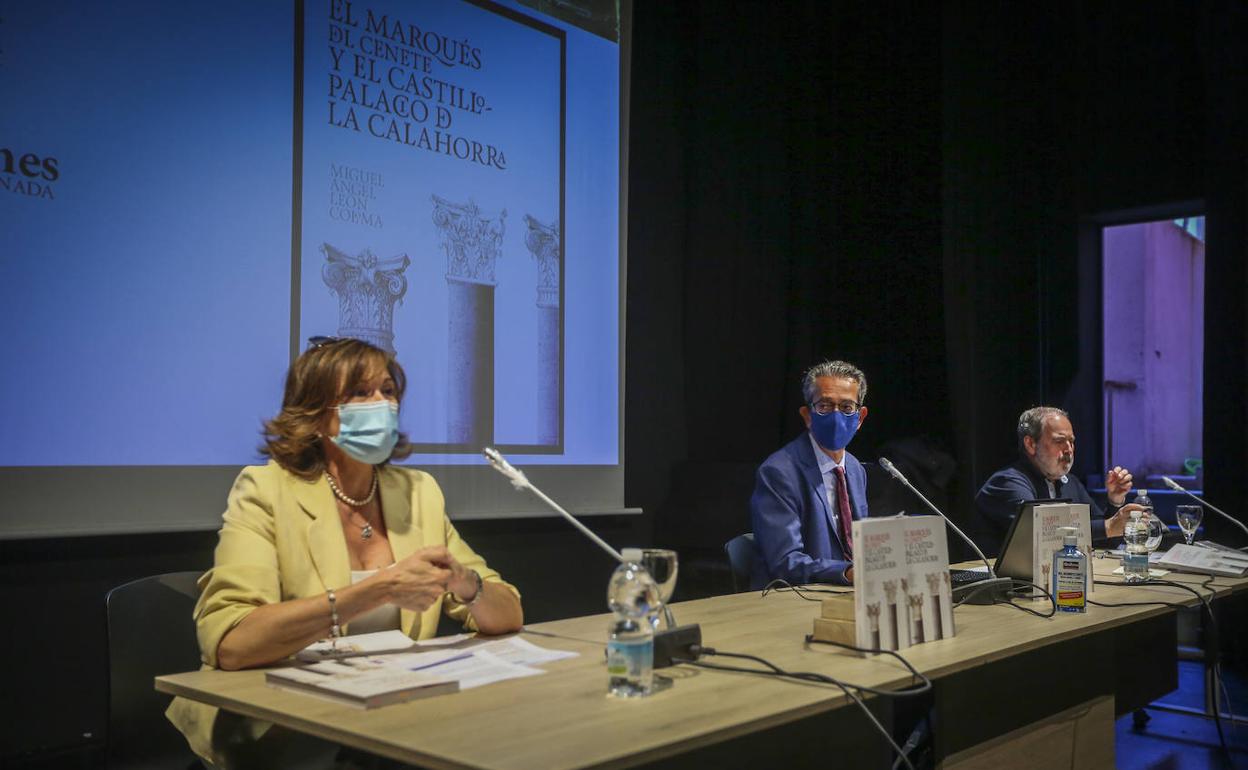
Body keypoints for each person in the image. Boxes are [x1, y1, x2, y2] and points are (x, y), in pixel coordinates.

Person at [168, 337, 523, 767]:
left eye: (387, 391)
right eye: (359, 392)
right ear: (316, 415)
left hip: (389, 718)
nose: (381, 404)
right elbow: (234, 643)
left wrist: (466, 584)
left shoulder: (418, 492)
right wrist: (378, 590)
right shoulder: (265, 491)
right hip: (278, 727)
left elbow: (508, 614)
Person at [749, 360, 870, 588]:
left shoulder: (855, 469)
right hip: (792, 598)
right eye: (824, 406)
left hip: (847, 594)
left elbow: (859, 546)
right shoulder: (778, 472)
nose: (836, 416)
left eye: (846, 408)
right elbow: (785, 562)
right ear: (807, 416)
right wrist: (847, 573)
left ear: (860, 418)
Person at [975, 405, 1140, 547]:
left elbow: (1104, 540)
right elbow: (1044, 537)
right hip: (998, 575)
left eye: (1071, 441)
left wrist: (1115, 501)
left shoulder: (1070, 482)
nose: (1069, 449)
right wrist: (1108, 527)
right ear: (1031, 444)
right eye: (1059, 441)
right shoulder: (1007, 483)